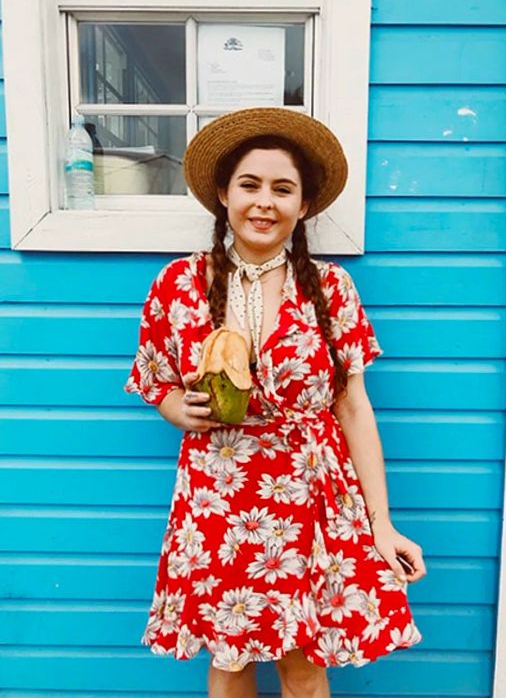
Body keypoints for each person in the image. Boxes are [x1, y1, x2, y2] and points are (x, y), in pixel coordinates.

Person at [125, 107, 426, 698]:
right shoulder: (177, 283)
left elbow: (354, 409)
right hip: (218, 494)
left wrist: (381, 523)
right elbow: (154, 377)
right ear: (223, 194)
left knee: (303, 665)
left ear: (304, 205)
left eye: (283, 189)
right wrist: (172, 409)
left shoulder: (332, 287)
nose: (265, 202)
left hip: (311, 496)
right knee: (230, 662)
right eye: (250, 185)